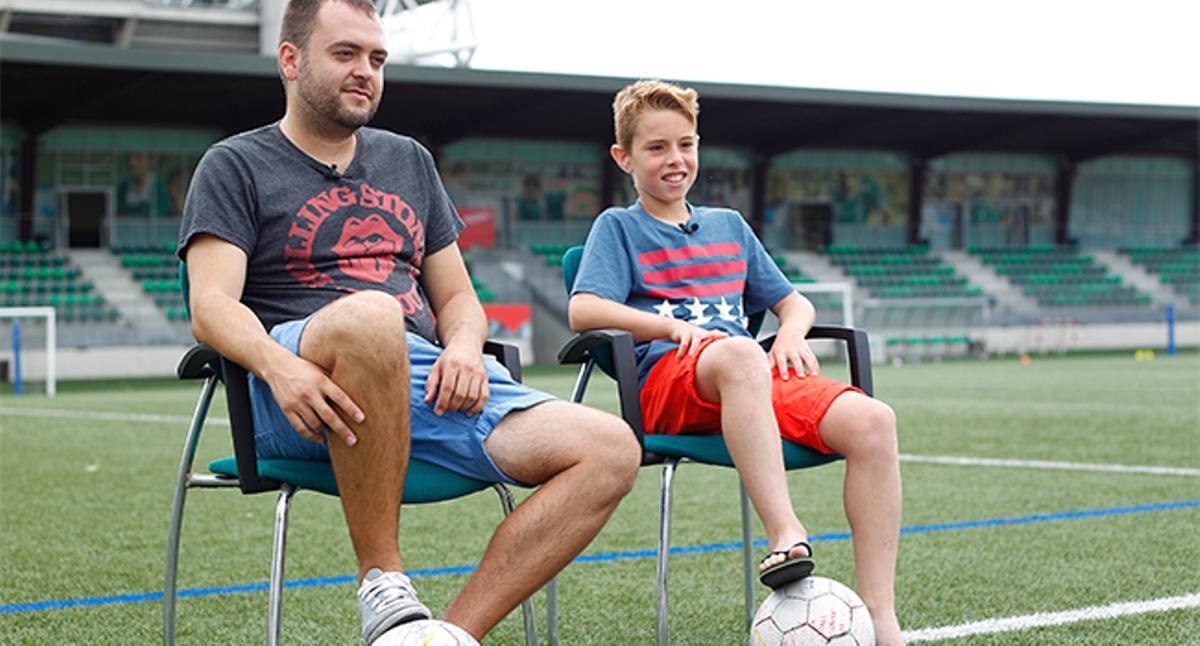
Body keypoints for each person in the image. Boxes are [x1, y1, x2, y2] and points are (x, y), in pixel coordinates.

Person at [177, 1, 640, 643]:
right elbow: (211, 306)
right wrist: (280, 368)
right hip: (305, 384)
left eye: (376, 59)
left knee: (612, 447)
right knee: (373, 315)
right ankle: (384, 586)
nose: (365, 71)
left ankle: (445, 636)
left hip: (422, 384)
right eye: (345, 54)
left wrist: (465, 348)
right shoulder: (234, 164)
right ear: (291, 60)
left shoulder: (409, 160)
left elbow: (457, 299)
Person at [568, 80, 905, 645]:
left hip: (747, 376)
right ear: (624, 157)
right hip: (669, 384)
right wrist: (670, 326)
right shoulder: (617, 227)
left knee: (875, 421)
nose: (675, 160)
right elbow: (584, 309)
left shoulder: (729, 226)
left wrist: (793, 334)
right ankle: (785, 532)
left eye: (686, 144)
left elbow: (793, 302)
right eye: (656, 148)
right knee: (744, 353)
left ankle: (882, 618)